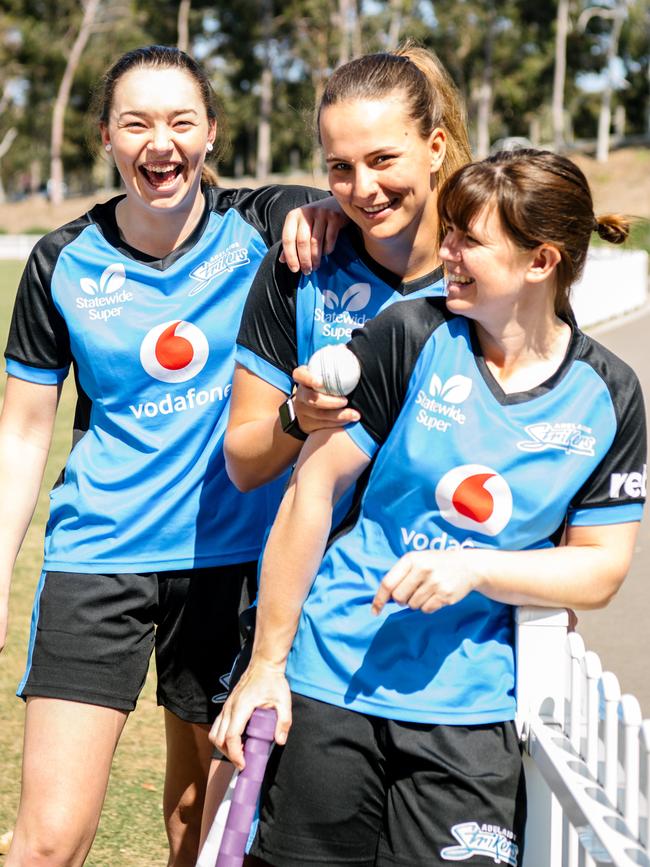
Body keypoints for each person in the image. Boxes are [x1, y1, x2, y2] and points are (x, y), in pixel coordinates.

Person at [213, 149, 646, 866]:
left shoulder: (609, 394)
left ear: (540, 262)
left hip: (469, 716)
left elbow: (599, 572)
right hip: (334, 682)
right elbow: (309, 492)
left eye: (467, 239)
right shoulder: (410, 335)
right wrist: (267, 663)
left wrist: (476, 568)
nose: (444, 251)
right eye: (449, 232)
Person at [0, 44, 345, 867]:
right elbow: (22, 432)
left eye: (181, 120)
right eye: (137, 122)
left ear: (211, 133)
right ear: (108, 140)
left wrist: (327, 208)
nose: (162, 141)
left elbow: (383, 205)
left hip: (235, 565)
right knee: (48, 839)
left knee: (203, 823)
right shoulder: (61, 261)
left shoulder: (268, 224)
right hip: (100, 559)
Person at [224, 44, 471, 492]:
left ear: (435, 148)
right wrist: (299, 417)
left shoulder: (489, 270)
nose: (363, 189)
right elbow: (243, 464)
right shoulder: (299, 269)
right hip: (323, 561)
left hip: (453, 558)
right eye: (341, 167)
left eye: (383, 160)